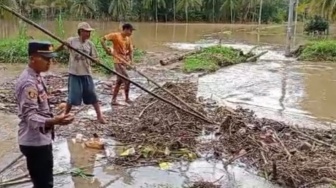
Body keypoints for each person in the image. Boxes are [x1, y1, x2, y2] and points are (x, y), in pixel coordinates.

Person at [15, 40, 75, 188]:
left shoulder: (37, 76)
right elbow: (30, 117)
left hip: (41, 138)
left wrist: (55, 108)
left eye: (51, 59)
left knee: (42, 182)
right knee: (44, 184)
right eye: (46, 59)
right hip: (35, 141)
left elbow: (39, 107)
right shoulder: (28, 82)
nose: (50, 62)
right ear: (32, 59)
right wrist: (55, 121)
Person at [55, 22, 106, 124]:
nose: (88, 34)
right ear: (81, 32)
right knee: (72, 97)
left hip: (86, 73)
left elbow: (95, 58)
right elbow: (61, 47)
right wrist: (62, 45)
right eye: (87, 32)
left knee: (92, 95)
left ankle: (99, 116)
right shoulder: (72, 41)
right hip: (74, 74)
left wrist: (96, 61)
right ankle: (65, 114)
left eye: (89, 32)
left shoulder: (90, 44)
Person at [100, 23, 135, 105]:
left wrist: (131, 62)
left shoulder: (128, 39)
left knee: (119, 82)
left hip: (124, 62)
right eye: (130, 31)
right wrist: (106, 50)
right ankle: (127, 99)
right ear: (125, 29)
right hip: (117, 61)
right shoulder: (116, 35)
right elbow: (102, 39)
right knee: (127, 80)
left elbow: (131, 51)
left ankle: (113, 100)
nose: (131, 33)